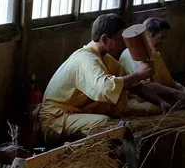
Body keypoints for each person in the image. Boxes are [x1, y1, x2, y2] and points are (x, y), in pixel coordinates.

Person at [38, 13, 157, 141]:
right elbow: (106, 88)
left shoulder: (104, 58)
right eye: (119, 39)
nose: (123, 44)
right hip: (56, 120)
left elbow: (131, 82)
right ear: (104, 39)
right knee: (103, 121)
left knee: (120, 105)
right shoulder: (86, 58)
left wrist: (162, 101)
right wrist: (139, 74)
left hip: (77, 112)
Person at [119, 16, 185, 108]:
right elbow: (146, 86)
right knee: (153, 108)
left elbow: (167, 80)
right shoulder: (136, 55)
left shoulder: (155, 54)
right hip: (140, 96)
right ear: (149, 35)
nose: (163, 41)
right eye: (161, 37)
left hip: (159, 91)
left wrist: (182, 89)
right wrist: (175, 94)